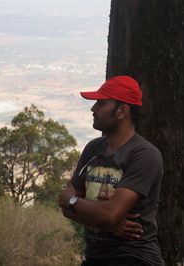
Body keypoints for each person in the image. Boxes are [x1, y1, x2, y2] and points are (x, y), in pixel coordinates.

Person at [59, 76, 164, 266]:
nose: (93, 109)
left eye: (101, 104)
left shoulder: (144, 155)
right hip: (94, 258)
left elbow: (107, 213)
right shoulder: (94, 148)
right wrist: (105, 221)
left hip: (133, 258)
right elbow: (66, 209)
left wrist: (73, 200)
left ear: (122, 111)